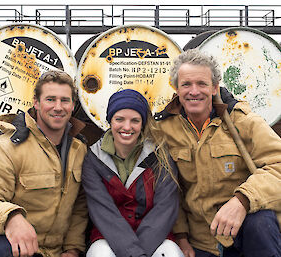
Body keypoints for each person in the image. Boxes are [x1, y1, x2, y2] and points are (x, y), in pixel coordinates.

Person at [154, 48, 281, 257]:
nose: (194, 91)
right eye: (186, 84)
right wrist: (182, 237)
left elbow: (278, 164)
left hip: (247, 230)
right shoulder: (163, 130)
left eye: (202, 84)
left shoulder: (242, 120)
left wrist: (242, 200)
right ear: (176, 88)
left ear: (214, 88)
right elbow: (165, 189)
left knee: (261, 222)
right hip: (201, 241)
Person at [0, 70, 88, 257]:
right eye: (50, 99)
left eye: (65, 100)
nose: (58, 107)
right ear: (36, 103)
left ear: (72, 106)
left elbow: (79, 208)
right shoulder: (5, 149)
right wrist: (10, 217)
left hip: (55, 253)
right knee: (1, 248)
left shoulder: (79, 151)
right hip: (18, 251)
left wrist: (72, 249)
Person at [82, 89, 184, 257]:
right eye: (119, 119)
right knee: (100, 253)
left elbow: (165, 209)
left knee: (171, 252)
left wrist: (138, 253)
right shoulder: (94, 159)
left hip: (155, 237)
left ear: (142, 123)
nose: (127, 127)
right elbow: (103, 212)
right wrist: (133, 253)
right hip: (109, 238)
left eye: (135, 120)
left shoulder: (159, 156)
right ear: (110, 121)